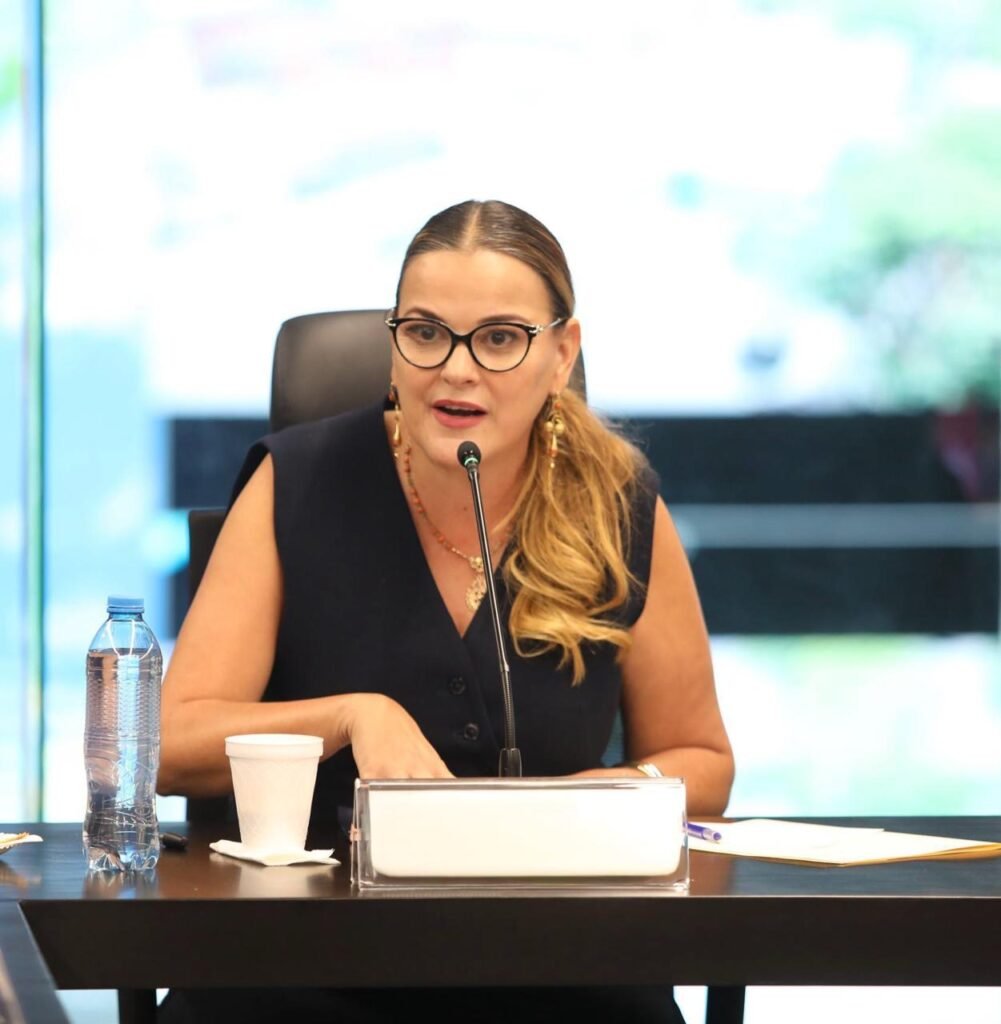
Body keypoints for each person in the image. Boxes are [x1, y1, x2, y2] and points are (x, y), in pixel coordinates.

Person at [157, 199, 734, 1024]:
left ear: (561, 353)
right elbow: (168, 746)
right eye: (426, 333)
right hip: (305, 961)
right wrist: (350, 716)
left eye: (498, 339)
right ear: (393, 344)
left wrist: (608, 795)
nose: (456, 369)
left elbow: (703, 762)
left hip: (562, 963)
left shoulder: (617, 505)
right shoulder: (299, 481)